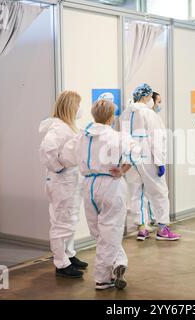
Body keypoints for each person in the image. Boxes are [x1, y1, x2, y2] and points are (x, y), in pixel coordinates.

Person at [61, 99, 141, 290]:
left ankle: (117, 261)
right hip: (111, 184)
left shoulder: (81, 136)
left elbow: (67, 156)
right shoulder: (119, 136)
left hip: (89, 185)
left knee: (97, 231)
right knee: (110, 230)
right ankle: (103, 278)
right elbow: (136, 153)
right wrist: (123, 169)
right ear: (111, 117)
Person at [121, 84, 181, 241]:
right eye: (154, 100)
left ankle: (141, 227)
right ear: (146, 97)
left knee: (136, 193)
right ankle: (163, 228)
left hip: (130, 157)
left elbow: (123, 137)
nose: (155, 103)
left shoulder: (125, 113)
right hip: (147, 156)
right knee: (160, 192)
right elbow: (157, 139)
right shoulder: (149, 114)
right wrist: (160, 161)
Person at [39, 91, 88, 279]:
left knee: (70, 220)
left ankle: (69, 255)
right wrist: (58, 167)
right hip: (62, 182)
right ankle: (61, 263)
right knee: (61, 222)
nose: (80, 109)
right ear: (70, 107)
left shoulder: (68, 126)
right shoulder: (58, 129)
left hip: (70, 182)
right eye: (78, 105)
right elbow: (47, 150)